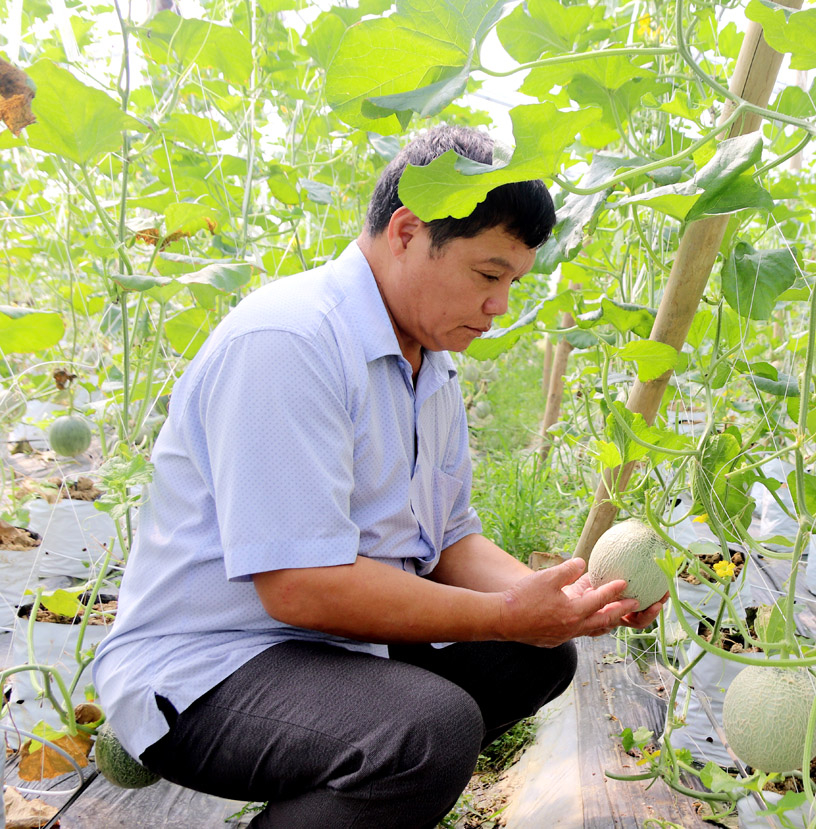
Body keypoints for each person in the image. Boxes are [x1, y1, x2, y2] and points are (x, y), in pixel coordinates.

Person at [92, 125, 666, 828]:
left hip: (324, 650)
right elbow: (300, 585)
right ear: (406, 230)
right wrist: (507, 613)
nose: (501, 307)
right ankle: (365, 768)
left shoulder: (432, 363)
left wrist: (571, 601)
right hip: (207, 670)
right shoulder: (290, 341)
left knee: (537, 659)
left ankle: (338, 794)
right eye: (489, 275)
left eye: (514, 282)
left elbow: (452, 539)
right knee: (428, 730)